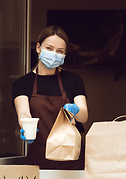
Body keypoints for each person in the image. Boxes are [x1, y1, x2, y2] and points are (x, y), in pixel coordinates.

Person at [12, 26, 88, 170]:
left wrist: (76, 110)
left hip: (72, 160)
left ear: (65, 54)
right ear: (38, 48)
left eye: (60, 51)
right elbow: (23, 113)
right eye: (49, 48)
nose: (54, 54)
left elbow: (83, 116)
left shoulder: (73, 80)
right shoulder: (22, 84)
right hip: (38, 160)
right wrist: (26, 128)